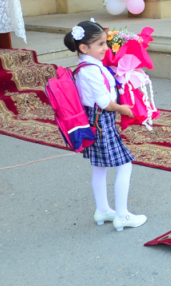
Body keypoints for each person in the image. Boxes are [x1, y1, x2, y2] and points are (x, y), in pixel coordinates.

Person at [63, 20, 147, 232]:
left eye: (105, 43)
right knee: (125, 165)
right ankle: (121, 215)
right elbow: (103, 102)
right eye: (100, 44)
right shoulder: (90, 70)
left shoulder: (89, 66)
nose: (105, 49)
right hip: (101, 122)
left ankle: (102, 210)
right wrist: (122, 108)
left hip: (95, 121)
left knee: (99, 168)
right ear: (84, 48)